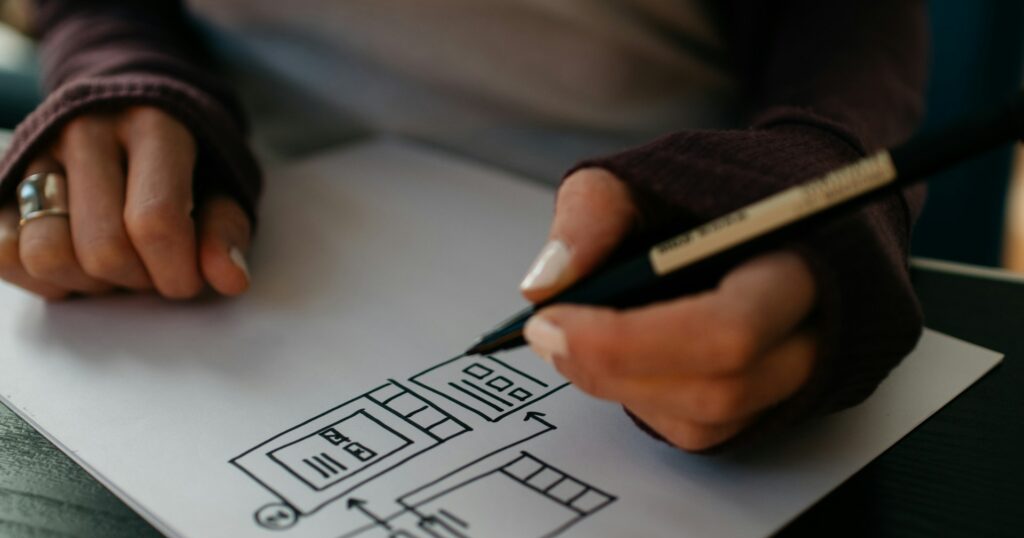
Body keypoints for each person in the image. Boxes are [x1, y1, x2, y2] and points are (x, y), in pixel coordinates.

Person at [0, 1, 928, 451]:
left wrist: (818, 163)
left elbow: (847, 18)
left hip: (667, 214)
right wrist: (114, 62)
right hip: (254, 196)